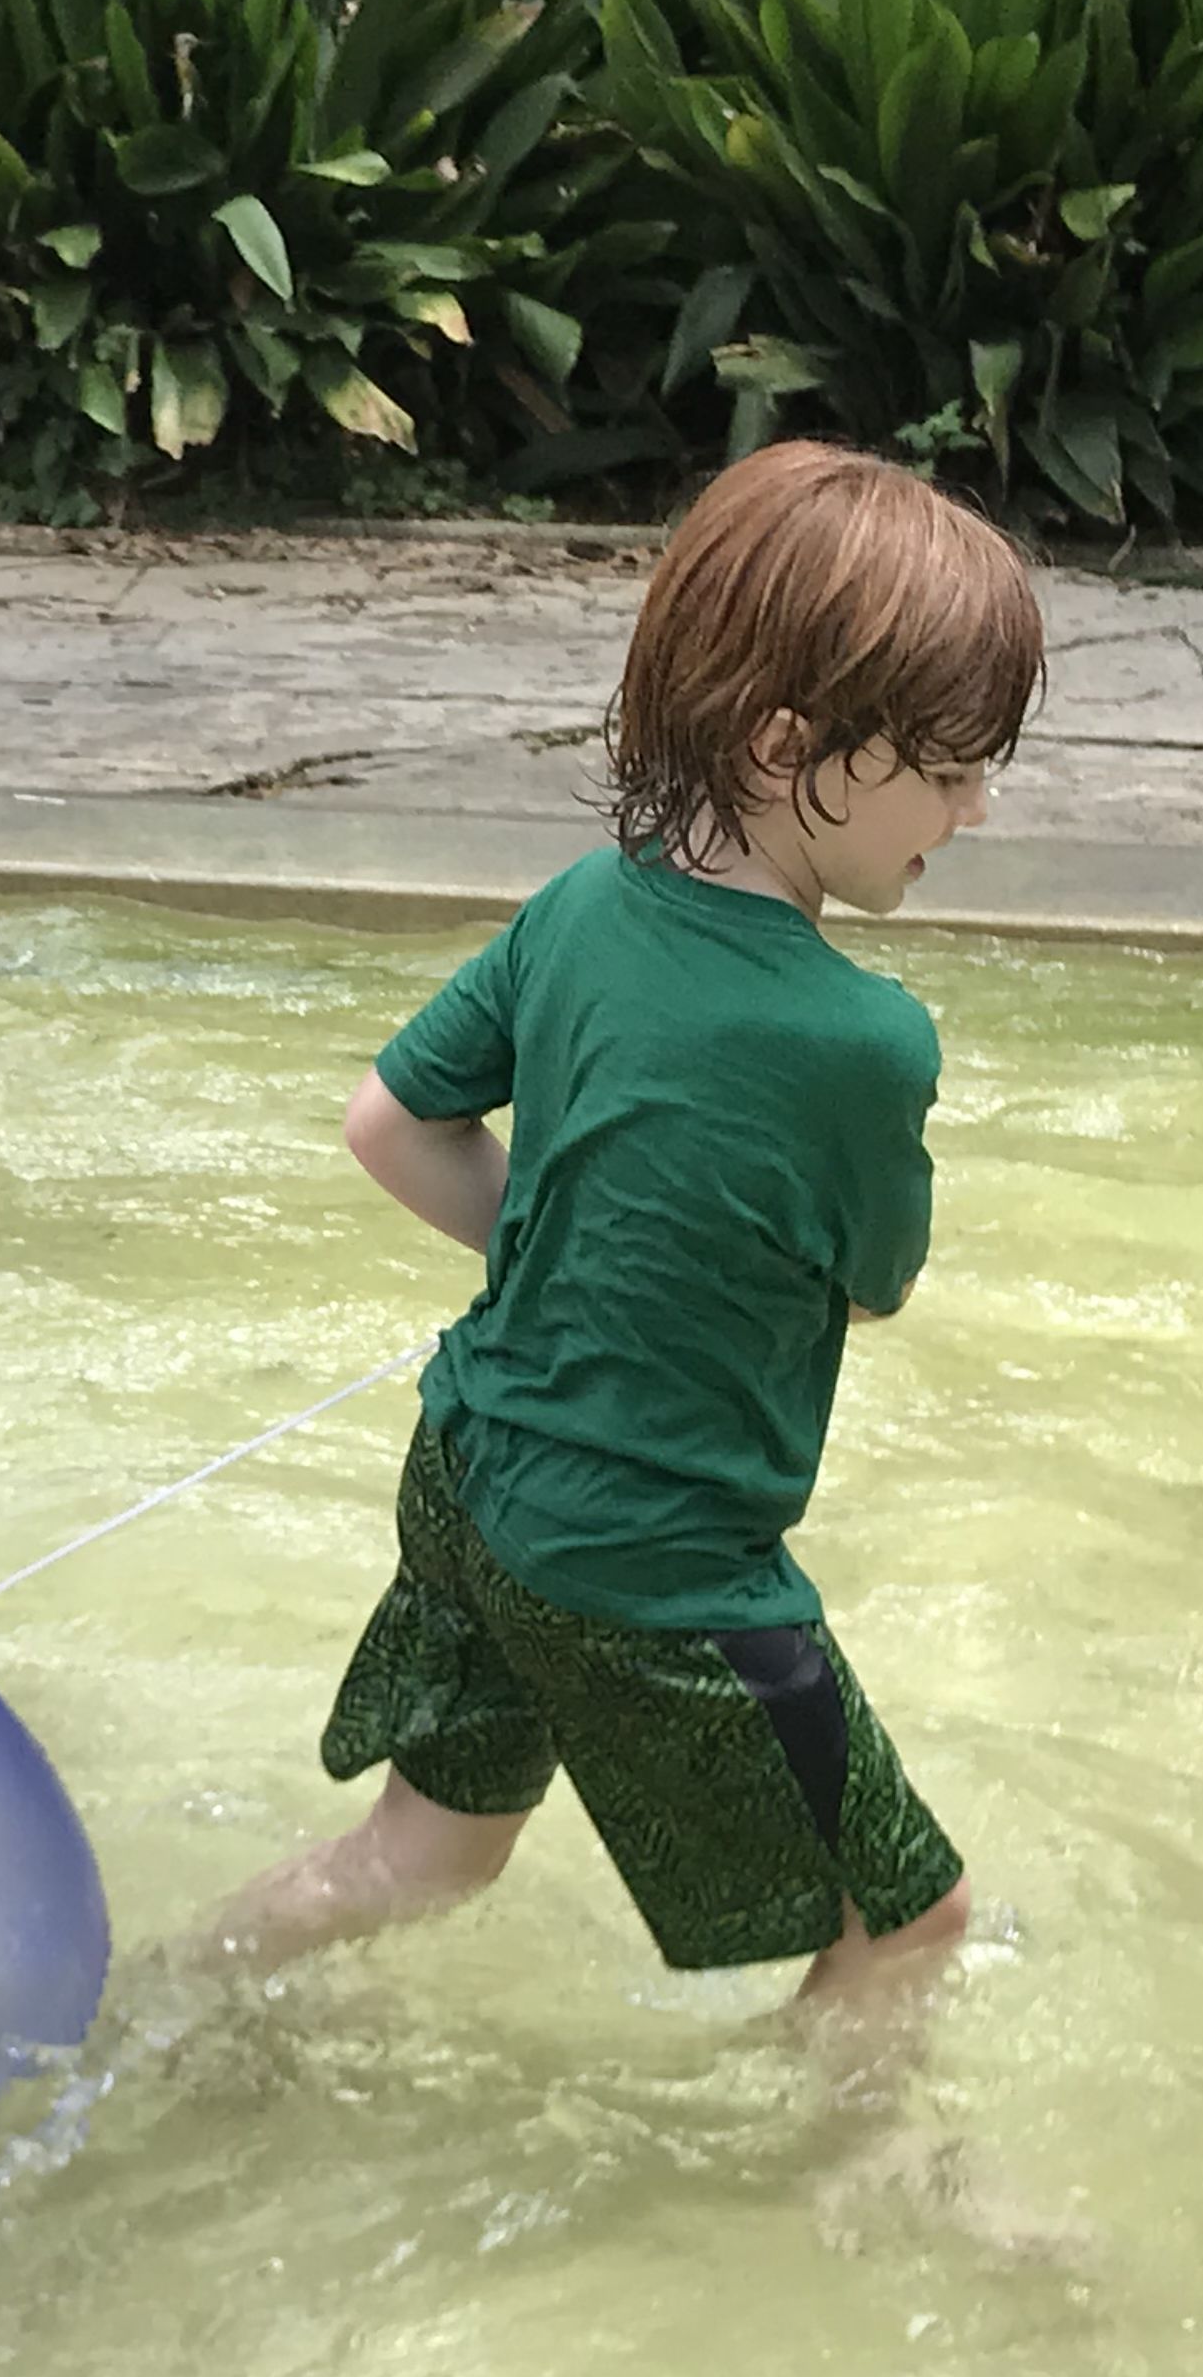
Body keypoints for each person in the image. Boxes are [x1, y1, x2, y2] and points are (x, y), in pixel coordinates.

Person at [205, 440, 1040, 2090]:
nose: (976, 808)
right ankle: (863, 2182)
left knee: (422, 1859)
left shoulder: (577, 908)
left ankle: (174, 2001)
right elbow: (874, 1286)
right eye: (947, 768)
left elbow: (391, 1127)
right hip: (650, 1564)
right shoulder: (866, 1038)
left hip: (468, 1476)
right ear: (792, 744)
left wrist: (560, 1247)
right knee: (910, 1921)